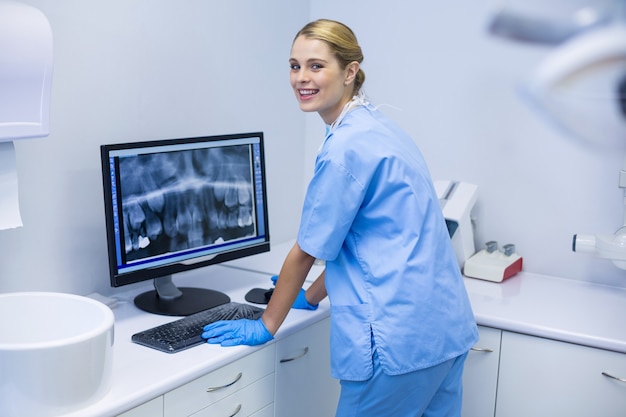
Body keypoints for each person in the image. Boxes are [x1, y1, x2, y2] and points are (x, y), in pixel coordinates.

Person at [202, 18, 479, 417]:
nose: (301, 78)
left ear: (350, 72)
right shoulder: (382, 128)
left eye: (317, 66)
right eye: (295, 66)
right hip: (443, 333)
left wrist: (266, 324)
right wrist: (310, 297)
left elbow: (306, 251)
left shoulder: (343, 150)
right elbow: (367, 242)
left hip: (395, 344)